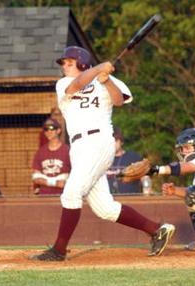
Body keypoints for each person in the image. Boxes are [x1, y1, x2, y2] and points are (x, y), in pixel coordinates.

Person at [30, 46, 174, 261]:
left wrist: (106, 79)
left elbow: (118, 100)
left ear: (82, 63)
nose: (65, 67)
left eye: (70, 63)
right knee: (105, 209)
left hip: (98, 141)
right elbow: (77, 85)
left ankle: (59, 250)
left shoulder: (106, 80)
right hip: (78, 147)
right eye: (64, 63)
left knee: (71, 193)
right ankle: (156, 230)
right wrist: (99, 69)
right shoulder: (63, 84)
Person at [32, 118, 71, 196]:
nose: (49, 132)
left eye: (52, 128)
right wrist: (55, 182)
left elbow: (74, 175)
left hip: (64, 195)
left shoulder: (68, 150)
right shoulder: (40, 152)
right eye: (46, 129)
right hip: (44, 196)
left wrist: (45, 180)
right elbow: (36, 177)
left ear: (58, 130)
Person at [107, 126, 143, 194]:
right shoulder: (102, 160)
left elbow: (145, 177)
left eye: (115, 141)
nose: (112, 144)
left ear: (122, 142)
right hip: (108, 201)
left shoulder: (133, 157)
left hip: (132, 200)